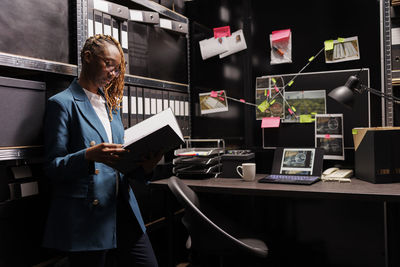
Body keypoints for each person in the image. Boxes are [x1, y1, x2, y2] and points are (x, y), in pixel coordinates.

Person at [42, 34, 161, 267]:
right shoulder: (62, 104)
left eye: (117, 69)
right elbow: (52, 166)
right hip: (89, 216)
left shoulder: (112, 107)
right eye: (109, 64)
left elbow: (119, 162)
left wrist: (145, 167)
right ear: (88, 57)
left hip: (122, 209)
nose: (113, 74)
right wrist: (88, 156)